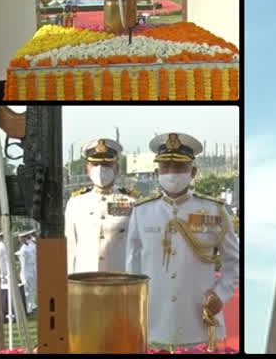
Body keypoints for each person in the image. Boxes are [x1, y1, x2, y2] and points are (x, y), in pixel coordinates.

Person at [126, 133, 239, 348]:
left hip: (198, 319)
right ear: (157, 172)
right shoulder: (142, 211)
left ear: (193, 172)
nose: (172, 174)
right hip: (154, 320)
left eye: (179, 168)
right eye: (166, 167)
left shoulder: (215, 210)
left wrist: (221, 294)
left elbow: (233, 262)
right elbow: (133, 266)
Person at [65, 138, 138, 274]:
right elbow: (70, 249)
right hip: (85, 282)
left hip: (120, 282)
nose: (101, 169)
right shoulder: (76, 203)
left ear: (117, 168)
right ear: (87, 169)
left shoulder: (133, 201)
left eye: (107, 165)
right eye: (95, 164)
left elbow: (138, 248)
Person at [14, 231, 37, 313]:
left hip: (31, 270)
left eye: (21, 238)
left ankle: (32, 305)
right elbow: (23, 265)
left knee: (32, 289)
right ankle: (28, 308)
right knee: (27, 290)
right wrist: (23, 275)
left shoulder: (30, 246)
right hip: (27, 271)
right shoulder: (24, 249)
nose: (20, 240)